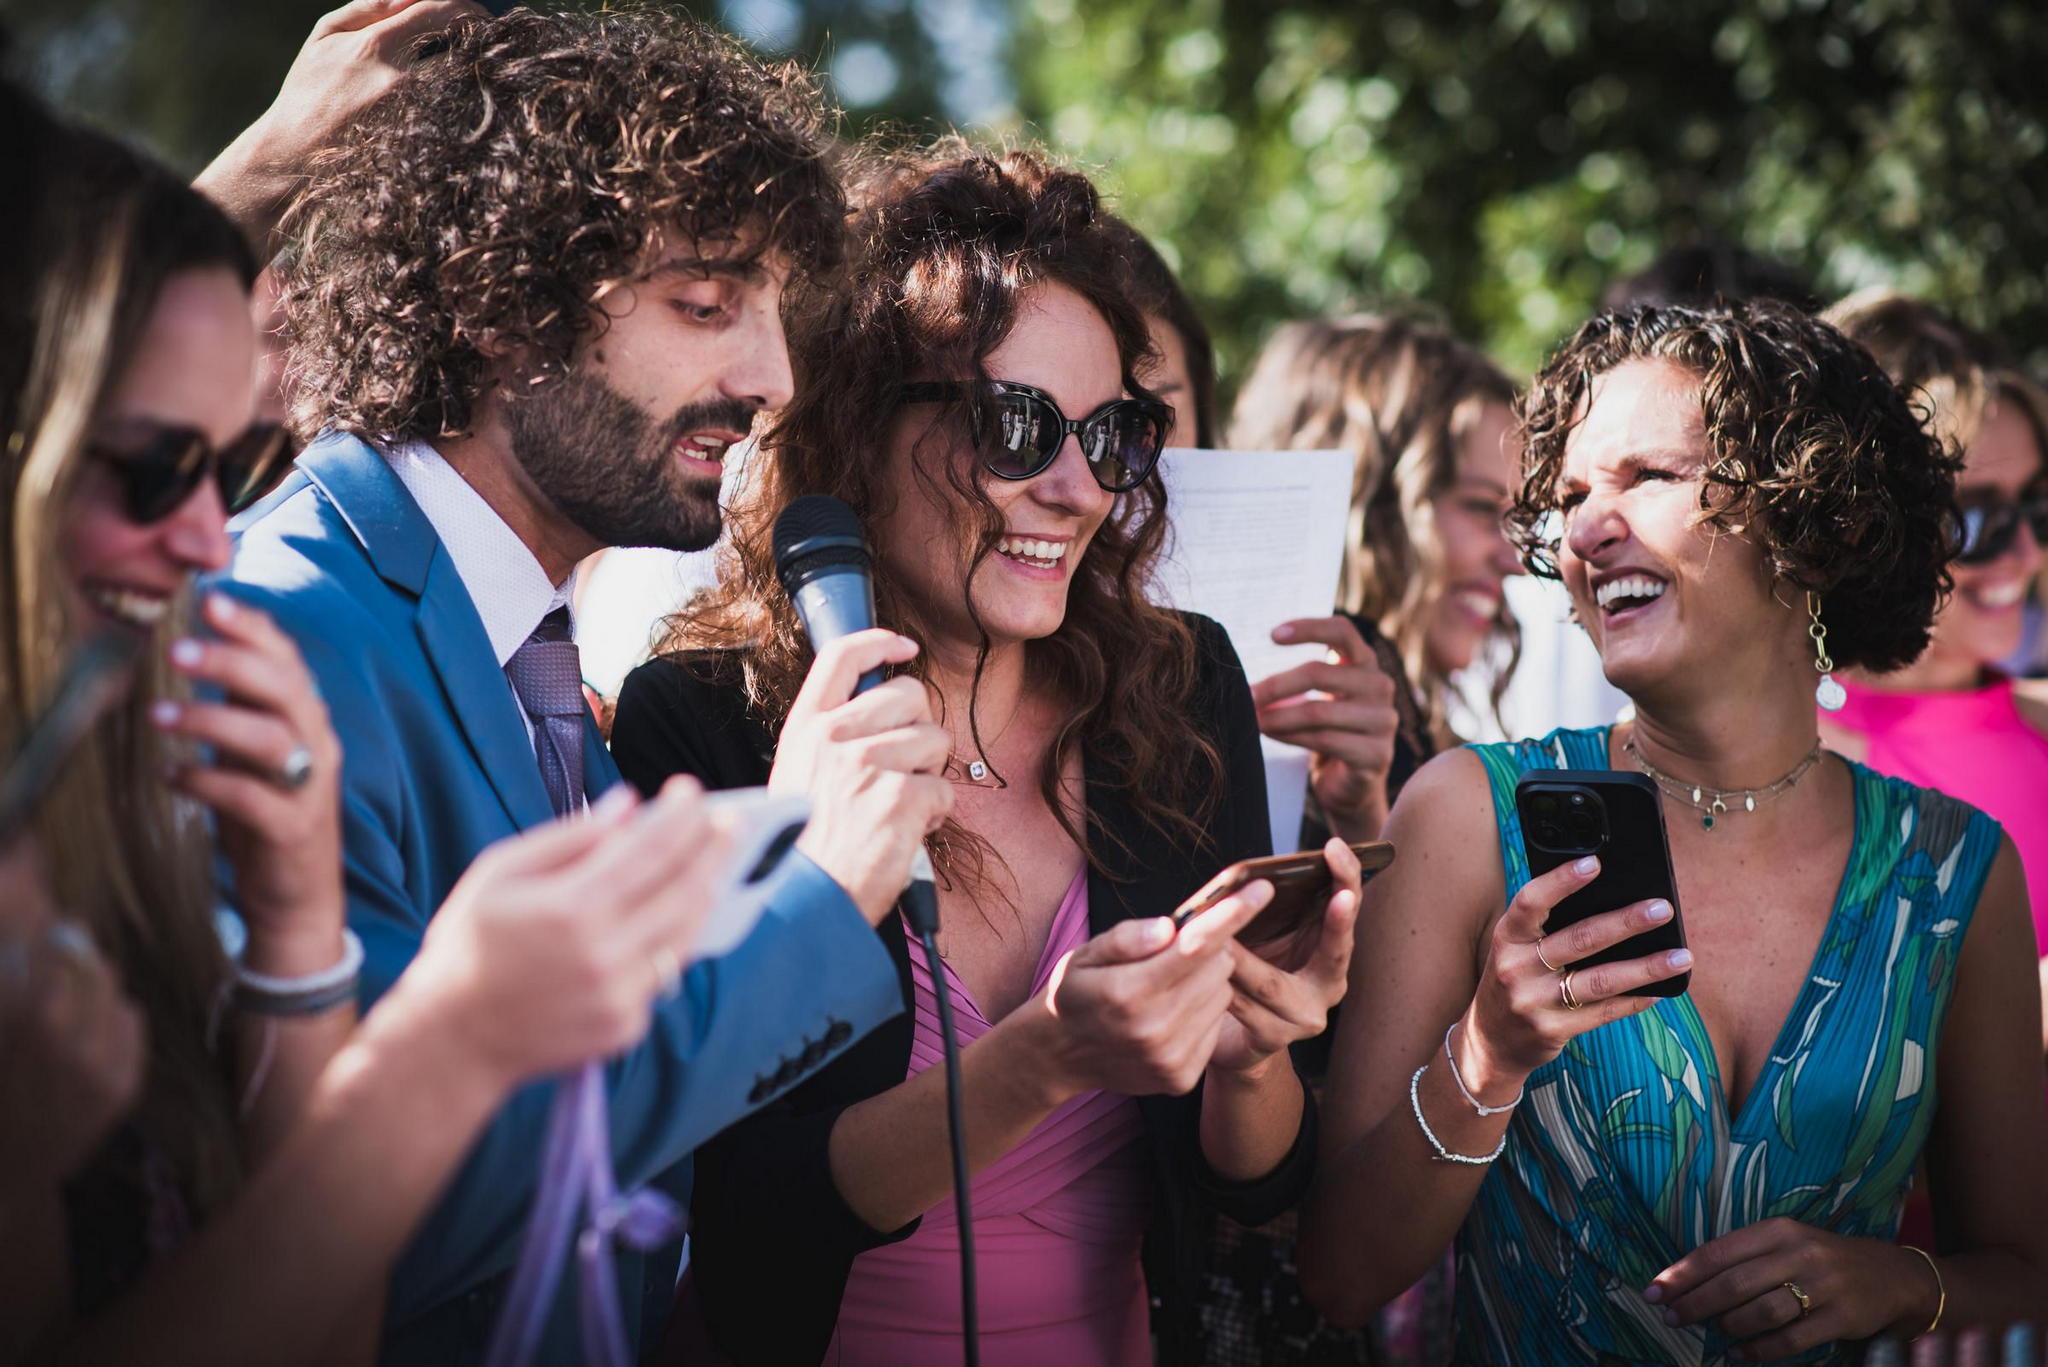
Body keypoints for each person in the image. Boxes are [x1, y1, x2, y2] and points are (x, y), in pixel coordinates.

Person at [226, 10, 947, 1360]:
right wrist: (810, 898)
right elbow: (365, 1221)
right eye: (705, 304)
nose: (772, 378)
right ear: (502, 301)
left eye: (774, 313)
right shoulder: (283, 632)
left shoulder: (534, 649)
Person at [0, 79, 738, 1366]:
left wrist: (298, 944)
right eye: (159, 468)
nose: (208, 538)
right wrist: (441, 1050)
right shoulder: (290, 611)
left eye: (232, 469)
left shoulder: (59, 846)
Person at [610, 142, 1359, 1367]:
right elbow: (747, 1211)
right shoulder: (706, 722)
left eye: (1109, 436)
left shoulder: (1178, 689)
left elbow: (1247, 1182)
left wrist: (1255, 1051)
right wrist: (1043, 1055)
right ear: (856, 426)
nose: (1075, 488)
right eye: (1016, 426)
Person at [1302, 299, 2048, 1361]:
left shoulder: (1953, 871)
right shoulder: (1465, 815)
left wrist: (1898, 1280)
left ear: (1816, 518)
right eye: (1571, 495)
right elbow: (1338, 1276)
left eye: (1647, 476)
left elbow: (2023, 1273)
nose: (1585, 530)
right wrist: (1485, 1058)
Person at [1189, 313, 1524, 1367]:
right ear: (1374, 501)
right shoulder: (1232, 695)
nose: (1511, 552)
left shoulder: (1418, 719)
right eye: (1479, 508)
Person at [1818, 289, 2048, 1057]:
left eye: (2037, 507)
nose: (2024, 553)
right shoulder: (1790, 765)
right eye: (1977, 520)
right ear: (1868, 523)